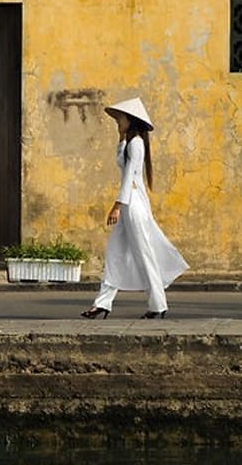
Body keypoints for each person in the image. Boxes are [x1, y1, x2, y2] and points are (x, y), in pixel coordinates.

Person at [81, 97, 189, 319]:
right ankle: (102, 303)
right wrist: (121, 138)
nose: (117, 123)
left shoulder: (137, 143)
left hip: (133, 205)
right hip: (128, 206)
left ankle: (158, 304)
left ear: (131, 121)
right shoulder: (129, 143)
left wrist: (116, 206)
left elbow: (129, 176)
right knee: (115, 253)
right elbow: (122, 163)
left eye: (120, 120)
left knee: (144, 254)